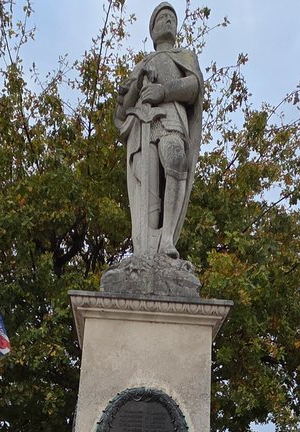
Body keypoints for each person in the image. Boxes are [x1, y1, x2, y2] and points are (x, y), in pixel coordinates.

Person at [114, 3, 203, 260]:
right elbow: (122, 112)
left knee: (176, 160)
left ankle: (167, 241)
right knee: (147, 181)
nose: (167, 21)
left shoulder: (184, 56)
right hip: (142, 127)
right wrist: (135, 84)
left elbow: (193, 87)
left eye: (171, 18)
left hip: (171, 117)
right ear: (151, 30)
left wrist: (163, 91)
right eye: (162, 17)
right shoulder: (141, 64)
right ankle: (145, 247)